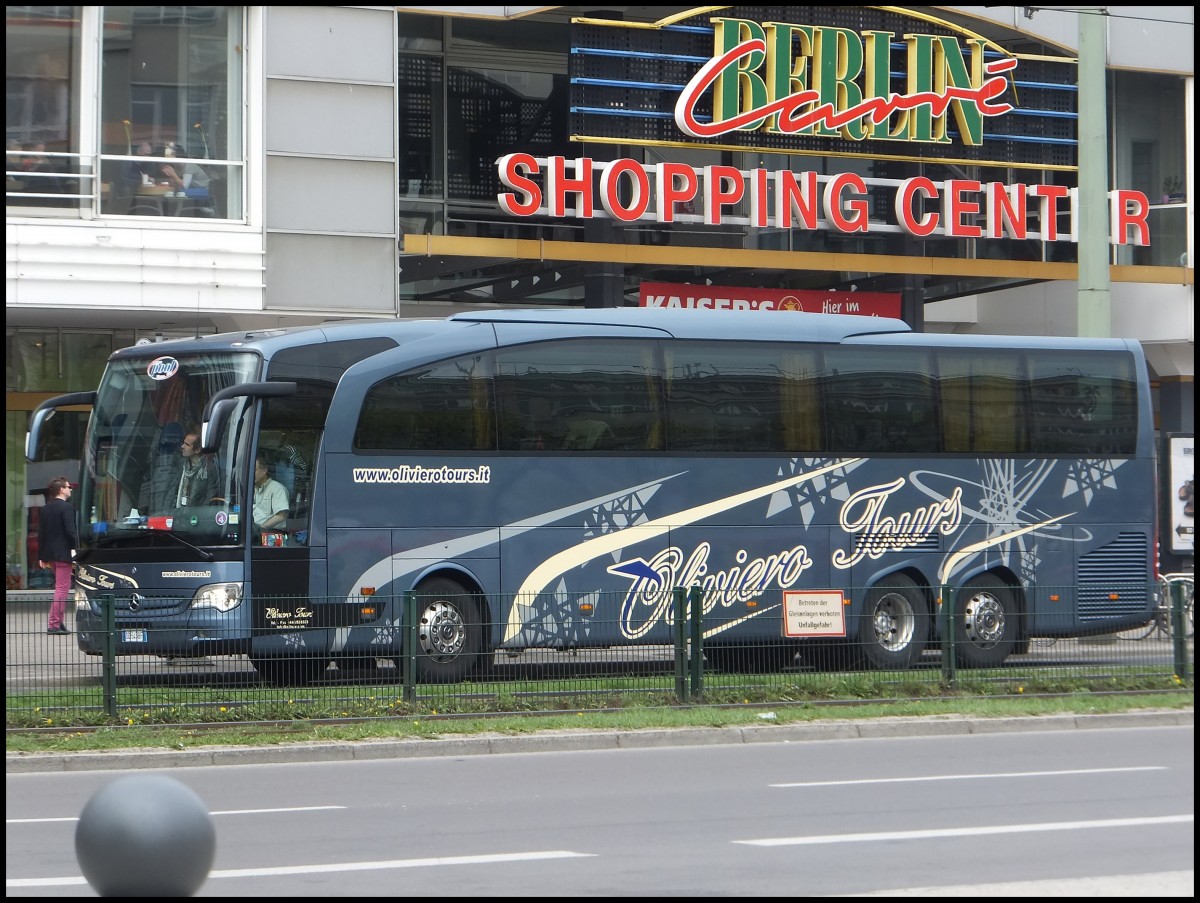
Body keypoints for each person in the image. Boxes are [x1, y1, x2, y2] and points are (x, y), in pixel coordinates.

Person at [38, 476, 79, 635]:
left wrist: (42, 556)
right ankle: (54, 624)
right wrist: (76, 548)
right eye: (68, 487)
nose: (70, 489)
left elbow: (41, 534)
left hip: (50, 554)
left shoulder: (45, 508)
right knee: (62, 589)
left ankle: (59, 622)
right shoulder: (66, 508)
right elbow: (70, 531)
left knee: (61, 587)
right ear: (62, 489)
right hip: (63, 554)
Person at [173, 428, 218, 508]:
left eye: (187, 444)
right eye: (183, 443)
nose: (182, 446)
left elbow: (211, 496)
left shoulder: (208, 468)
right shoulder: (181, 465)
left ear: (197, 450)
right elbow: (173, 491)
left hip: (198, 515)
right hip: (180, 514)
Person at [252, 453, 290, 534]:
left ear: (265, 470)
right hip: (254, 533)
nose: (251, 473)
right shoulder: (253, 489)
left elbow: (281, 516)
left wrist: (261, 528)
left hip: (272, 534)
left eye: (254, 470)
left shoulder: (277, 489)